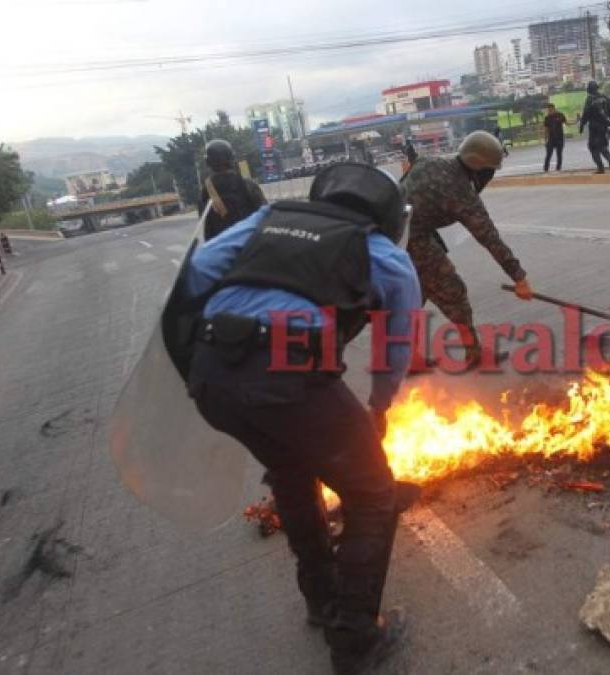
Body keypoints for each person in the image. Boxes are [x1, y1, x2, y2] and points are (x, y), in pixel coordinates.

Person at [183, 163, 421, 674]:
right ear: (388, 215)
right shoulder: (381, 253)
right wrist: (380, 406)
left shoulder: (268, 218)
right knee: (374, 493)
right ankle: (356, 638)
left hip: (213, 374)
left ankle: (321, 600)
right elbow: (394, 345)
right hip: (287, 374)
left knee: (292, 474)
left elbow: (199, 270)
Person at [401, 131, 533, 365]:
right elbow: (489, 237)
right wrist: (518, 277)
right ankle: (475, 354)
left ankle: (410, 357)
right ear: (479, 167)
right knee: (454, 292)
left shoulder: (429, 161)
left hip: (393, 235)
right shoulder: (460, 191)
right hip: (413, 239)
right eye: (490, 171)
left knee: (416, 294)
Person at [197, 139, 267, 241]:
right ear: (232, 158)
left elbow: (207, 231)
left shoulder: (205, 193)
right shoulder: (247, 185)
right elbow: (265, 216)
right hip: (250, 246)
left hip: (223, 249)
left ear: (208, 162)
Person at [579, 81, 610, 174]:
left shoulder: (590, 99)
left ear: (589, 89)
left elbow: (586, 113)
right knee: (602, 145)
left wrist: (582, 124)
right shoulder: (604, 97)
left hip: (594, 126)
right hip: (603, 126)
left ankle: (600, 167)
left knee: (593, 147)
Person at [542, 103, 567, 172]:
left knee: (559, 154)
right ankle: (546, 169)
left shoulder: (560, 115)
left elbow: (567, 123)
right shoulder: (547, 118)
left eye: (551, 110)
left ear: (554, 109)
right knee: (548, 154)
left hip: (560, 138)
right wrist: (545, 140)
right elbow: (546, 130)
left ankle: (558, 168)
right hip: (551, 139)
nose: (549, 111)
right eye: (548, 110)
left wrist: (576, 121)